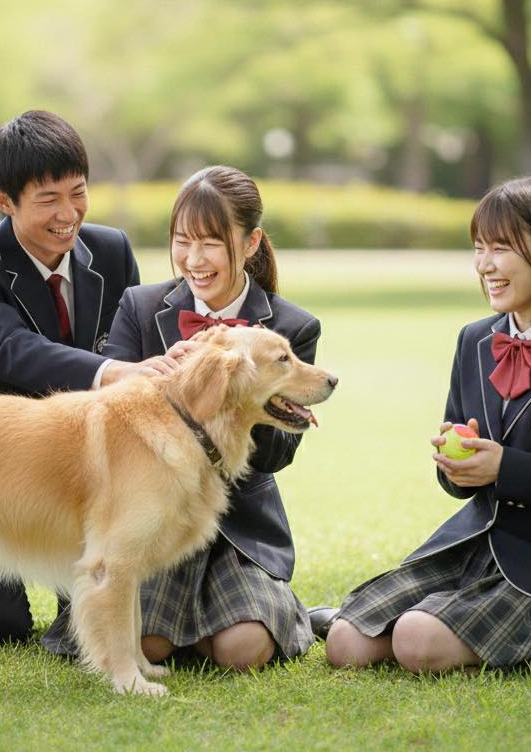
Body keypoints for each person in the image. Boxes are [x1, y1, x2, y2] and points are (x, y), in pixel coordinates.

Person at [319, 176, 531, 673]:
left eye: (500, 248)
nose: (484, 264)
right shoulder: (473, 340)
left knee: (415, 640)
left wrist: (505, 468)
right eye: (478, 248)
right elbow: (458, 481)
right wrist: (454, 465)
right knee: (345, 642)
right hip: (474, 546)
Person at [42, 165, 321, 670]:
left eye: (212, 242)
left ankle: (274, 617)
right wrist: (175, 382)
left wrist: (238, 393)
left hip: (237, 527)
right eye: (182, 241)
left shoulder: (290, 326)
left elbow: (277, 458)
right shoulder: (141, 306)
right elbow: (108, 414)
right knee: (147, 644)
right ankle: (188, 632)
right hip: (146, 520)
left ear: (251, 242)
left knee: (243, 652)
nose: (194, 260)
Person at [0, 110, 176, 641]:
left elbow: (131, 337)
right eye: (49, 199)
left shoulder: (111, 251)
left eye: (79, 192)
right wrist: (112, 372)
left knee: (97, 615)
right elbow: (11, 350)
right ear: (4, 200)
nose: (69, 213)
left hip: (82, 470)